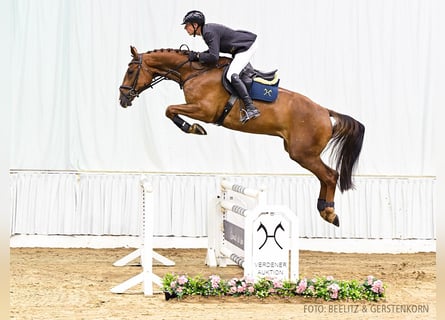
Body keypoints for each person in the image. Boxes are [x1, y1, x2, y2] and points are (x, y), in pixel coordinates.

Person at [182, 10, 260, 123]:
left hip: (246, 46)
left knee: (231, 75)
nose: (185, 28)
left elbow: (214, 57)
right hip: (242, 47)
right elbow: (213, 51)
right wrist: (197, 55)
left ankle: (251, 107)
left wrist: (197, 56)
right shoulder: (207, 31)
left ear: (195, 25)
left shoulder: (208, 32)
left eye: (187, 25)